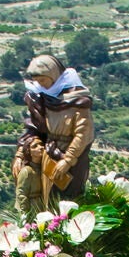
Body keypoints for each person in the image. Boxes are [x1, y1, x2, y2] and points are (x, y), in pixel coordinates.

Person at [14, 54, 93, 213]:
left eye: (43, 80)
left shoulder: (77, 101)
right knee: (48, 201)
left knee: (69, 201)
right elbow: (34, 128)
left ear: (54, 76)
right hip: (49, 158)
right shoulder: (42, 99)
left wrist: (68, 160)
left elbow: (83, 134)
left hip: (72, 162)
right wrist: (21, 153)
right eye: (37, 81)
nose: (40, 84)